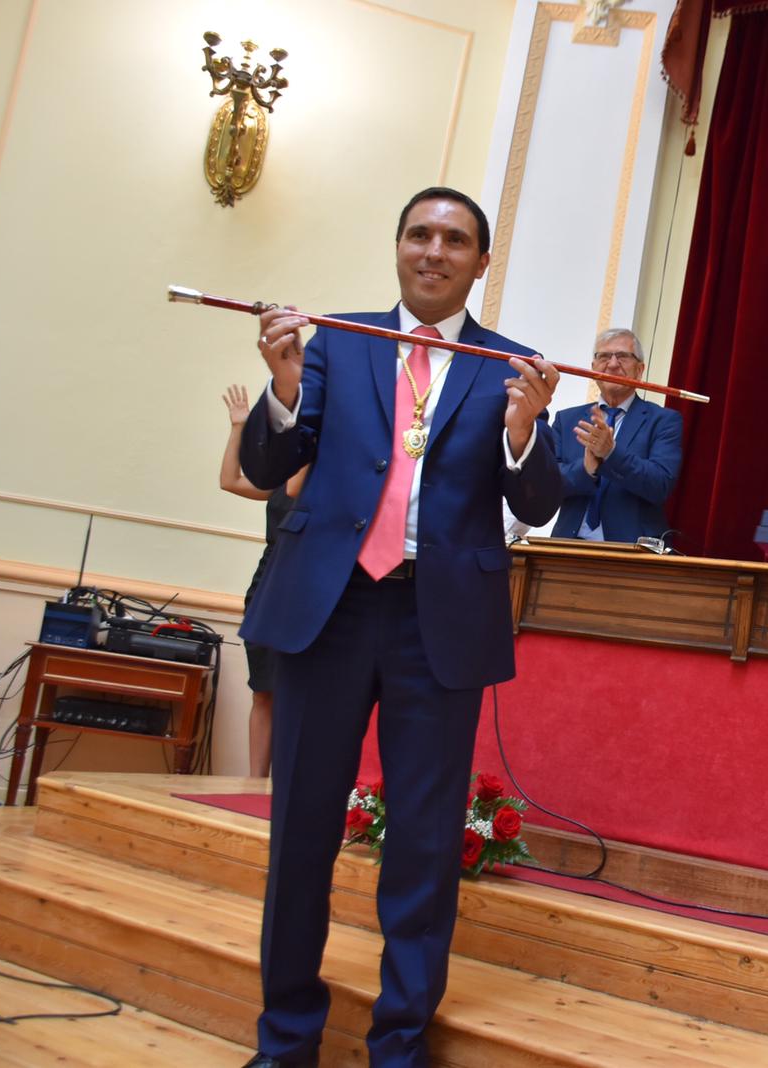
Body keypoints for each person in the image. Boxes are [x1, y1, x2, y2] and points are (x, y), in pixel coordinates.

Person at [236, 187, 561, 1068]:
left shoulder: (513, 367)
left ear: (481, 263)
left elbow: (537, 506)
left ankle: (400, 1043)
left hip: (438, 622)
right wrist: (284, 386)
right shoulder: (337, 341)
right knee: (301, 834)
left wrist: (525, 434)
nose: (434, 249)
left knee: (421, 847)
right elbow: (272, 464)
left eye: (456, 239)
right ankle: (286, 1041)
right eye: (419, 233)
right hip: (328, 612)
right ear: (397, 249)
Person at [218, 384, 307, 777]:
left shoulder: (319, 474)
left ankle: (285, 786)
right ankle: (254, 784)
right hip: (267, 583)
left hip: (303, 584)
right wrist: (238, 427)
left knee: (294, 694)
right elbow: (229, 481)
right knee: (264, 692)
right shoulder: (280, 475)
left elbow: (296, 488)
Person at [549, 328, 683, 542]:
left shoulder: (664, 421)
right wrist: (585, 469)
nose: (612, 364)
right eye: (603, 356)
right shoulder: (566, 420)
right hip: (567, 548)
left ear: (640, 370)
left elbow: (660, 486)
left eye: (622, 356)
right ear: (593, 368)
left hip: (632, 553)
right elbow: (548, 484)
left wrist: (611, 454)